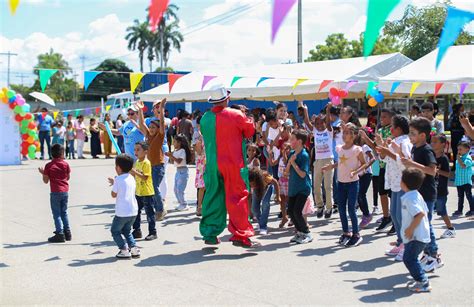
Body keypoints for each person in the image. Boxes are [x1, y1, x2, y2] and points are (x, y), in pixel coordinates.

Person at [199, 85, 256, 247]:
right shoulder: (237, 115)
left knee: (212, 196)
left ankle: (210, 234)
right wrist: (245, 115)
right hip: (233, 163)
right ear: (226, 99)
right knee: (237, 197)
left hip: (212, 164)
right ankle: (241, 234)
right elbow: (249, 131)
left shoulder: (204, 118)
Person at [401, 117, 442, 273]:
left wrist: (412, 164)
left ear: (423, 135)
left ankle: (434, 255)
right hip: (418, 192)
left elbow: (432, 170)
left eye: (413, 133)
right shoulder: (414, 148)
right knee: (423, 225)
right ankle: (427, 254)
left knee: (427, 224)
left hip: (427, 193)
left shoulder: (426, 149)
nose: (410, 136)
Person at [323, 123, 367, 247]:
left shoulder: (357, 149)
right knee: (341, 209)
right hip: (341, 183)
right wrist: (331, 166)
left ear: (353, 136)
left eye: (348, 133)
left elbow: (364, 164)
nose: (344, 135)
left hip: (353, 183)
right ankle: (346, 232)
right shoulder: (340, 148)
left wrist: (356, 172)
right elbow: (341, 162)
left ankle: (356, 234)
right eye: (344, 132)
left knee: (351, 209)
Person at [376, 115, 412, 260]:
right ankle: (400, 241)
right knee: (395, 214)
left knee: (401, 215)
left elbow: (407, 161)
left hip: (403, 182)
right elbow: (383, 158)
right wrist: (381, 145)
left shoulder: (405, 142)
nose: (390, 129)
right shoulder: (394, 141)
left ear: (399, 129)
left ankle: (406, 244)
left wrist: (393, 150)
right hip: (394, 183)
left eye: (392, 126)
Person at [361, 108, 394, 232]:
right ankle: (386, 216)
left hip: (390, 166)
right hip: (381, 165)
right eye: (382, 117)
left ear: (391, 118)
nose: (382, 119)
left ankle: (395, 218)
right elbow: (376, 148)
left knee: (392, 194)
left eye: (385, 117)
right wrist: (366, 139)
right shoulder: (379, 130)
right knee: (382, 192)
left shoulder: (393, 130)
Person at [400, 168, 432, 293]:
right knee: (411, 258)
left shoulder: (410, 198)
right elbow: (425, 212)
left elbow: (420, 214)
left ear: (404, 183)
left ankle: (423, 281)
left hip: (416, 236)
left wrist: (410, 229)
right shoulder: (415, 194)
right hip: (418, 236)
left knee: (409, 259)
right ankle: (420, 278)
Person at [136, 100, 167, 221]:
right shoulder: (148, 135)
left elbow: (162, 123)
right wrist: (140, 109)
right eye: (150, 127)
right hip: (150, 166)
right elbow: (141, 123)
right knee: (151, 188)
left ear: (158, 129)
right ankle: (158, 208)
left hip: (158, 166)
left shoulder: (160, 135)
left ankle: (160, 210)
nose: (151, 128)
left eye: (154, 127)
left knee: (154, 187)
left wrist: (162, 110)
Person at [302, 102, 334, 219]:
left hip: (328, 160)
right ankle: (320, 206)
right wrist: (305, 110)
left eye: (322, 123)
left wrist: (328, 109)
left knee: (328, 186)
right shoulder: (315, 131)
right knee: (316, 185)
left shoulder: (328, 131)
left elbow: (329, 121)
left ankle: (329, 207)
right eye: (317, 123)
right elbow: (307, 122)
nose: (320, 125)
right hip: (318, 161)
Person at [107, 154, 140, 259]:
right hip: (133, 211)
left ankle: (124, 249)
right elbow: (124, 186)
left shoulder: (118, 180)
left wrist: (115, 183)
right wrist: (116, 182)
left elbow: (113, 195)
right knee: (126, 231)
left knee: (115, 231)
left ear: (118, 168)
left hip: (122, 212)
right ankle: (134, 248)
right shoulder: (131, 178)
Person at [38, 144, 71, 243]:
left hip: (55, 192)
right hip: (65, 191)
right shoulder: (65, 164)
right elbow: (68, 177)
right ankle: (67, 232)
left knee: (56, 214)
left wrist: (44, 173)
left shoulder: (49, 165)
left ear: (51, 154)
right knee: (64, 212)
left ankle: (59, 233)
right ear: (62, 154)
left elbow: (45, 181)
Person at [284, 129, 312, 244]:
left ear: (299, 141)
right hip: (293, 188)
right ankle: (299, 232)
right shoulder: (291, 153)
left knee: (297, 211)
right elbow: (286, 173)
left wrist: (294, 163)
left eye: (292, 139)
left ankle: (306, 233)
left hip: (303, 188)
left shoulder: (304, 155)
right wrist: (290, 162)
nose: (290, 141)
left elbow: (302, 174)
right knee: (290, 212)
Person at [431, 134, 456, 238]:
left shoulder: (444, 159)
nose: (432, 144)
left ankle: (451, 229)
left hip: (441, 191)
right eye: (432, 141)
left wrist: (437, 170)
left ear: (443, 144)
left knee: (442, 211)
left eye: (435, 142)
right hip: (431, 189)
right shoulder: (430, 156)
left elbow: (449, 174)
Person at [131, 141, 157, 241]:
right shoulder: (137, 162)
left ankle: (152, 232)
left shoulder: (146, 163)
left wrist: (134, 172)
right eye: (135, 150)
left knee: (149, 213)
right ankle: (137, 230)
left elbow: (145, 177)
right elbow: (133, 175)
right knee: (136, 212)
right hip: (138, 192)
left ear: (145, 152)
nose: (136, 152)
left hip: (147, 192)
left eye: (138, 149)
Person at [249, 168, 281, 235]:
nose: (252, 186)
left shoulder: (265, 176)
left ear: (257, 180)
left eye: (253, 184)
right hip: (257, 190)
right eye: (251, 185)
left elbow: (275, 182)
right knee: (254, 208)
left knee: (265, 204)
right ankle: (261, 221)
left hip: (267, 188)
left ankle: (263, 227)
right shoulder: (251, 180)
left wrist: (278, 196)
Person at [166, 134, 192, 211]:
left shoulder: (182, 151)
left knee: (180, 189)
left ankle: (184, 204)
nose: (173, 143)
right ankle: (181, 203)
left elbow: (179, 161)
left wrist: (171, 156)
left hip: (183, 171)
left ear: (179, 143)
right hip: (178, 171)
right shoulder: (176, 151)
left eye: (175, 141)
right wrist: (169, 155)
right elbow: (172, 161)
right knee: (175, 189)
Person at [355, 133, 375, 229]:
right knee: (358, 195)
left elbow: (372, 158)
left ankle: (367, 215)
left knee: (361, 194)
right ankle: (365, 214)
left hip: (366, 174)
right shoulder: (354, 148)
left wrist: (365, 167)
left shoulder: (365, 147)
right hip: (358, 174)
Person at [452, 141, 474, 217]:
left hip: (466, 181)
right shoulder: (459, 158)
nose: (459, 151)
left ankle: (472, 210)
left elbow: (463, 166)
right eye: (458, 149)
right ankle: (459, 210)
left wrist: (458, 159)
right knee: (460, 197)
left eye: (460, 149)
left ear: (467, 149)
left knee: (469, 196)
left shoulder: (468, 158)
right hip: (459, 181)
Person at [195, 136, 206, 217]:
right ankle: (199, 207)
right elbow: (198, 152)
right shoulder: (201, 139)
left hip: (212, 164)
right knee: (202, 187)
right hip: (202, 165)